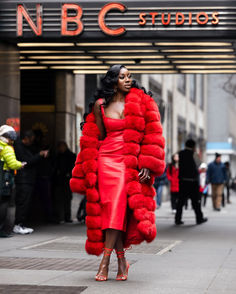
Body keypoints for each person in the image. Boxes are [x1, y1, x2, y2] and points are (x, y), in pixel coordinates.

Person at [70, 65, 165, 281]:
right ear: (113, 81)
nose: (128, 79)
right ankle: (121, 260)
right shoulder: (100, 105)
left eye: (129, 76)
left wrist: (147, 162)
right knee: (111, 210)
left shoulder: (143, 102)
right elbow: (99, 136)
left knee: (117, 208)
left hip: (127, 163)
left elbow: (153, 134)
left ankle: (105, 263)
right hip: (105, 161)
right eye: (122, 77)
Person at [13, 130, 48, 234]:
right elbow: (27, 161)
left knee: (25, 202)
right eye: (31, 140)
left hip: (28, 179)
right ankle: (18, 224)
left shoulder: (26, 147)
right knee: (22, 203)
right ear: (27, 138)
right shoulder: (19, 147)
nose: (32, 142)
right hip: (24, 180)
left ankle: (21, 224)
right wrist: (39, 155)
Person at [0, 125, 26, 237]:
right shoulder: (7, 148)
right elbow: (12, 164)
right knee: (4, 205)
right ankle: (1, 230)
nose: (12, 140)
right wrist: (21, 164)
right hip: (4, 180)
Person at [175, 139, 207, 225]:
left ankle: (177, 219)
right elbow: (199, 164)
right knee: (196, 202)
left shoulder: (180, 153)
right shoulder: (194, 154)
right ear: (193, 146)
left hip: (182, 181)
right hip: (192, 181)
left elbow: (177, 165)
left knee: (181, 201)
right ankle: (199, 218)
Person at [53, 141, 76, 223]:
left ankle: (67, 216)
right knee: (58, 199)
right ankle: (59, 217)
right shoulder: (57, 156)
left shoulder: (71, 156)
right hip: (59, 180)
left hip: (67, 180)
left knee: (67, 199)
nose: (61, 149)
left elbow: (73, 167)